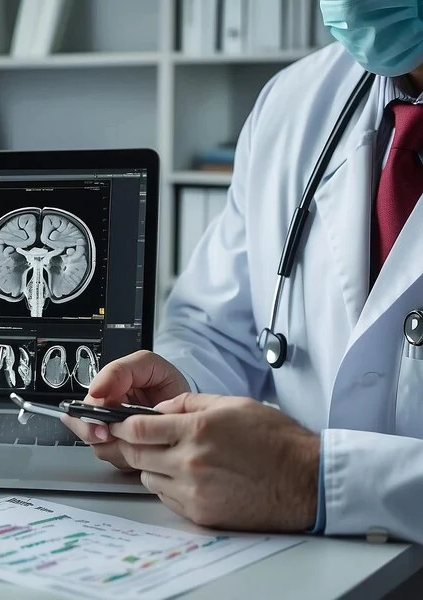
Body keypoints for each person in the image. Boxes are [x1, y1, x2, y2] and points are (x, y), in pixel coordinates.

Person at [65, 1, 423, 543]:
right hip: (299, 561)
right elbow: (218, 328)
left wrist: (312, 480)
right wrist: (176, 400)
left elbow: (312, 475)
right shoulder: (295, 102)